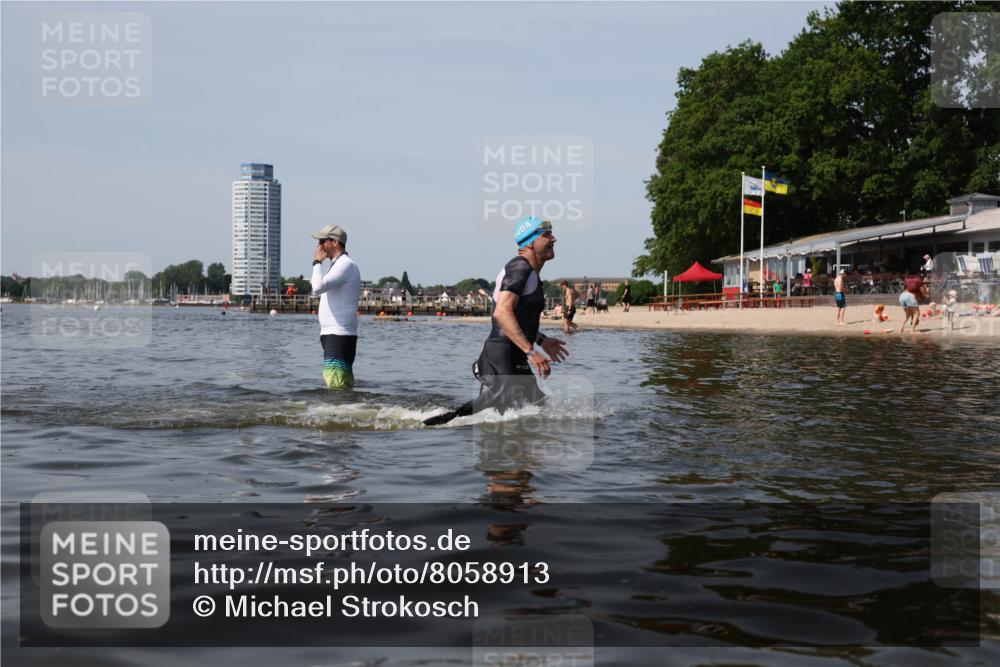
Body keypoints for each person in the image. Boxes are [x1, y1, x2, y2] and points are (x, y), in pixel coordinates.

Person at [424, 217, 568, 426]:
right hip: (501, 355)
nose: (553, 239)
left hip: (511, 354)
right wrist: (532, 352)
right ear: (530, 241)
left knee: (539, 409)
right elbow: (501, 313)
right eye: (546, 235)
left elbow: (518, 317)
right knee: (504, 406)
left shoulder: (529, 273)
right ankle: (436, 424)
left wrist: (541, 340)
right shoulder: (520, 268)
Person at [310, 224, 361, 389]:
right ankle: (344, 411)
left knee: (335, 381)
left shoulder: (345, 264)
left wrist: (317, 262)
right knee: (339, 381)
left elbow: (317, 287)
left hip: (338, 332)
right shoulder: (338, 264)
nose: (319, 246)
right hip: (333, 332)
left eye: (322, 241)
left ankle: (340, 412)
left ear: (335, 243)